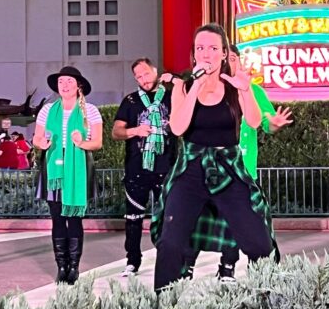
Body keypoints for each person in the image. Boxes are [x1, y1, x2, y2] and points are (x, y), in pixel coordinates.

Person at [151, 23, 276, 292]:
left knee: (260, 243)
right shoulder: (184, 87)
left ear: (223, 53)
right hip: (191, 168)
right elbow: (178, 128)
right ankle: (163, 303)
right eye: (200, 48)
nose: (206, 53)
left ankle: (271, 298)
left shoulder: (235, 85)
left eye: (212, 48)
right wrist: (194, 87)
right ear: (194, 53)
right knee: (170, 242)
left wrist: (246, 90)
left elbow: (254, 121)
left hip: (228, 167)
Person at [196, 44, 292, 282]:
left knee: (258, 221)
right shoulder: (210, 90)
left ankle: (262, 270)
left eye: (233, 58)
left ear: (238, 61)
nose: (229, 62)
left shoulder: (254, 91)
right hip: (218, 172)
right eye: (225, 58)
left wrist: (275, 123)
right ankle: (226, 266)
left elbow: (267, 122)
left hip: (246, 172)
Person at [33, 65, 104, 284]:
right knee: (57, 218)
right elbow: (36, 138)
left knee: (73, 219)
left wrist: (81, 142)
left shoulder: (90, 110)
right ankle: (61, 266)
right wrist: (42, 143)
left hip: (78, 166)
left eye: (69, 81)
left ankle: (74, 267)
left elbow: (97, 142)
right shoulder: (47, 110)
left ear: (78, 85)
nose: (64, 85)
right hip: (53, 166)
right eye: (61, 81)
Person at [112, 58, 176, 277]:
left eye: (146, 74)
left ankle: (167, 259)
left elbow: (185, 123)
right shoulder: (130, 101)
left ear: (155, 71)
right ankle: (132, 261)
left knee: (168, 218)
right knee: (133, 219)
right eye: (138, 77)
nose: (143, 79)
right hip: (136, 168)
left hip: (166, 167)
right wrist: (135, 131)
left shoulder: (172, 96)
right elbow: (116, 131)